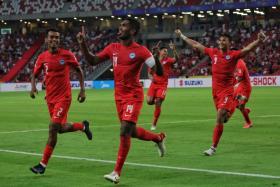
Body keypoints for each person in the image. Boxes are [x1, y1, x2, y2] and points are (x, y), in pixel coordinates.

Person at [77, 18, 166, 184]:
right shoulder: (113, 48)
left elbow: (158, 72)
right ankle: (158, 138)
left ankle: (116, 172)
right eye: (120, 25)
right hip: (118, 97)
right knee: (130, 131)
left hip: (133, 95)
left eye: (124, 26)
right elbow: (92, 61)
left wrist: (156, 57)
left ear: (132, 31)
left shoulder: (141, 51)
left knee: (124, 130)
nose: (120, 28)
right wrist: (83, 44)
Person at [175, 29, 266, 156]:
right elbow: (196, 44)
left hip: (227, 92)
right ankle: (235, 104)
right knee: (224, 120)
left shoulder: (233, 55)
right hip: (215, 93)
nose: (222, 41)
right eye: (220, 40)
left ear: (229, 43)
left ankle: (212, 148)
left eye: (225, 40)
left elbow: (247, 49)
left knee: (219, 116)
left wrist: (259, 41)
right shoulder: (213, 52)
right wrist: (182, 36)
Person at [30, 28, 93, 174]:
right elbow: (34, 75)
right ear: (46, 40)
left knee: (53, 128)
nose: (54, 40)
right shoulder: (42, 57)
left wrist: (82, 90)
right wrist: (33, 88)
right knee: (60, 129)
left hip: (64, 98)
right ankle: (83, 126)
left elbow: (79, 71)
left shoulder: (67, 55)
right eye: (51, 37)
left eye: (57, 38)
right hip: (50, 99)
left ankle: (42, 165)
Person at [147, 41, 179, 130]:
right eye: (164, 51)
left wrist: (174, 50)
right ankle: (158, 101)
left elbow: (176, 59)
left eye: (167, 52)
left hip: (162, 85)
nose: (166, 53)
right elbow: (149, 73)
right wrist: (151, 78)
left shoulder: (168, 60)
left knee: (158, 102)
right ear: (160, 52)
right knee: (149, 101)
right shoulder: (154, 60)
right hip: (154, 85)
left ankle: (154, 124)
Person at [234, 58, 252, 128]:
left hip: (245, 88)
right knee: (233, 102)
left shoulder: (239, 63)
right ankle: (245, 111)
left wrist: (232, 81)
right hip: (241, 86)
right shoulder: (237, 62)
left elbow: (240, 77)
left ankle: (249, 123)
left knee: (241, 106)